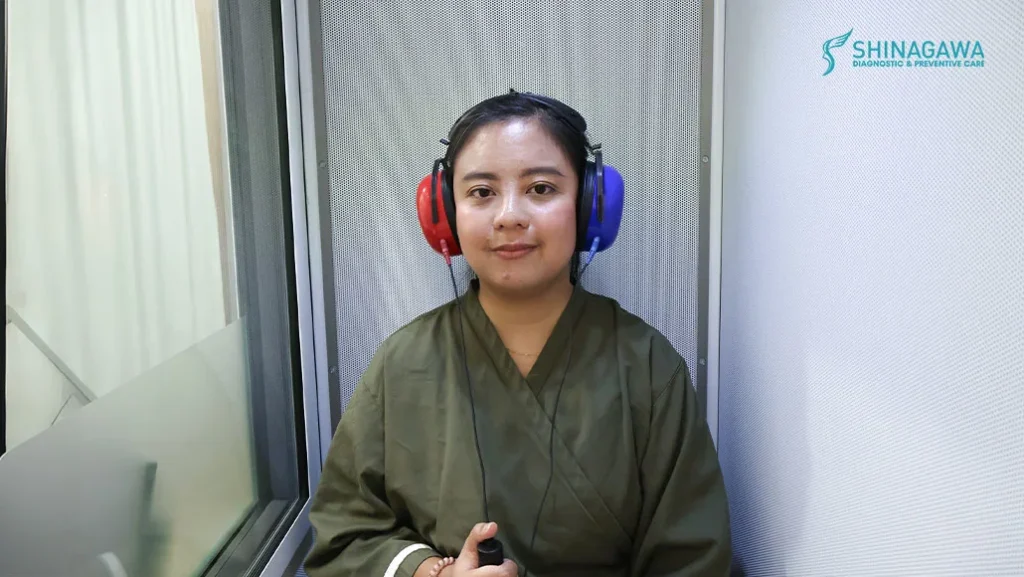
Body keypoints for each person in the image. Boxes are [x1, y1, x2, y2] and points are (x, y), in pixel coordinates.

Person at [303, 91, 731, 577]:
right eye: (482, 192)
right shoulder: (402, 362)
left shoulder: (648, 365)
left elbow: (692, 560)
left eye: (541, 188)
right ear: (445, 214)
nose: (509, 215)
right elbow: (343, 538)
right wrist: (430, 572)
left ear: (589, 206)